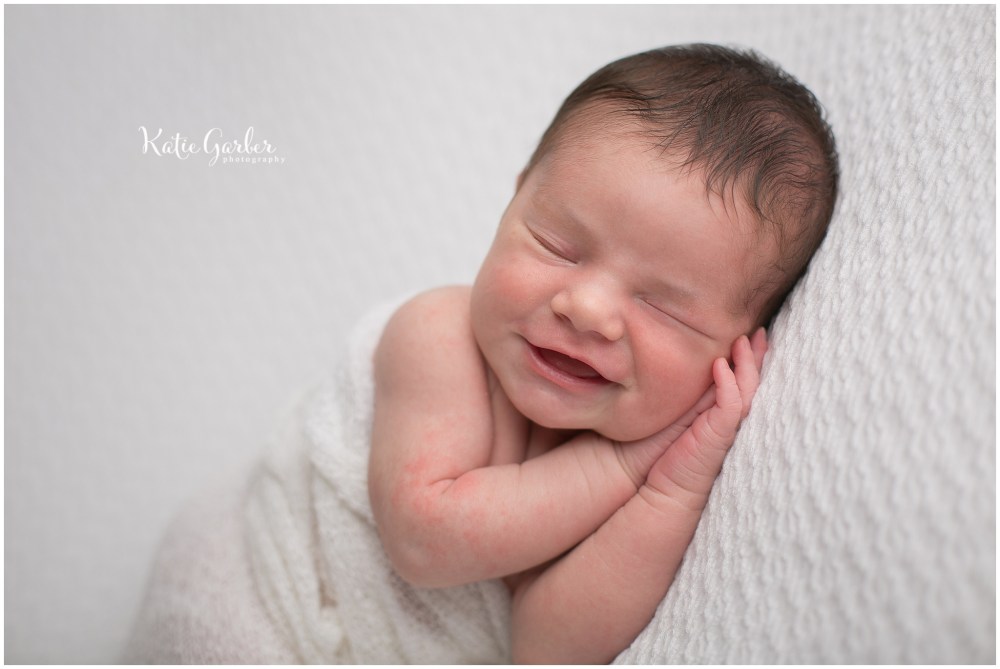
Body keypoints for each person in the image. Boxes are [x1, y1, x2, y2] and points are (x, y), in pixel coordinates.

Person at [368, 43, 838, 664]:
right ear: (512, 204)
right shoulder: (437, 333)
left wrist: (670, 490)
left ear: (740, 346)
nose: (586, 308)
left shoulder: (643, 451)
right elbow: (424, 542)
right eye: (557, 245)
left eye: (663, 307)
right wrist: (622, 469)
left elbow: (547, 649)